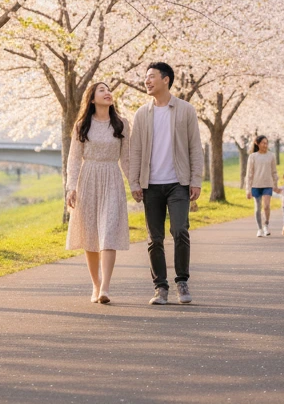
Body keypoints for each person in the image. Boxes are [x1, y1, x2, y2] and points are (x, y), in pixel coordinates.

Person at [128, 61, 204, 305]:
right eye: (145, 78)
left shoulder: (185, 110)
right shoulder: (141, 114)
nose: (147, 81)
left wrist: (196, 180)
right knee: (155, 238)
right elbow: (135, 150)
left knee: (180, 230)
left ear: (166, 79)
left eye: (151, 77)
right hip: (151, 185)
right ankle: (160, 287)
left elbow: (195, 147)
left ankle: (182, 281)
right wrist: (134, 183)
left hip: (178, 183)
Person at [65, 81, 131, 304]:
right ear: (92, 99)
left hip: (112, 178)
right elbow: (74, 158)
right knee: (91, 235)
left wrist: (135, 185)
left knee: (109, 232)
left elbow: (127, 158)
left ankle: (105, 287)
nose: (107, 93)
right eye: (101, 90)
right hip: (88, 179)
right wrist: (71, 188)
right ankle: (95, 284)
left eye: (108, 90)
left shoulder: (122, 124)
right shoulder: (82, 125)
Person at [245, 134, 279, 237]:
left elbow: (274, 172)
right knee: (257, 208)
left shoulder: (271, 156)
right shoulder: (253, 156)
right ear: (258, 144)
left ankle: (266, 225)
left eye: (266, 143)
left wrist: (275, 184)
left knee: (267, 206)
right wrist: (248, 189)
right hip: (255, 185)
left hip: (267, 184)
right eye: (263, 143)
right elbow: (249, 174)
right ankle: (259, 228)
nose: (265, 145)